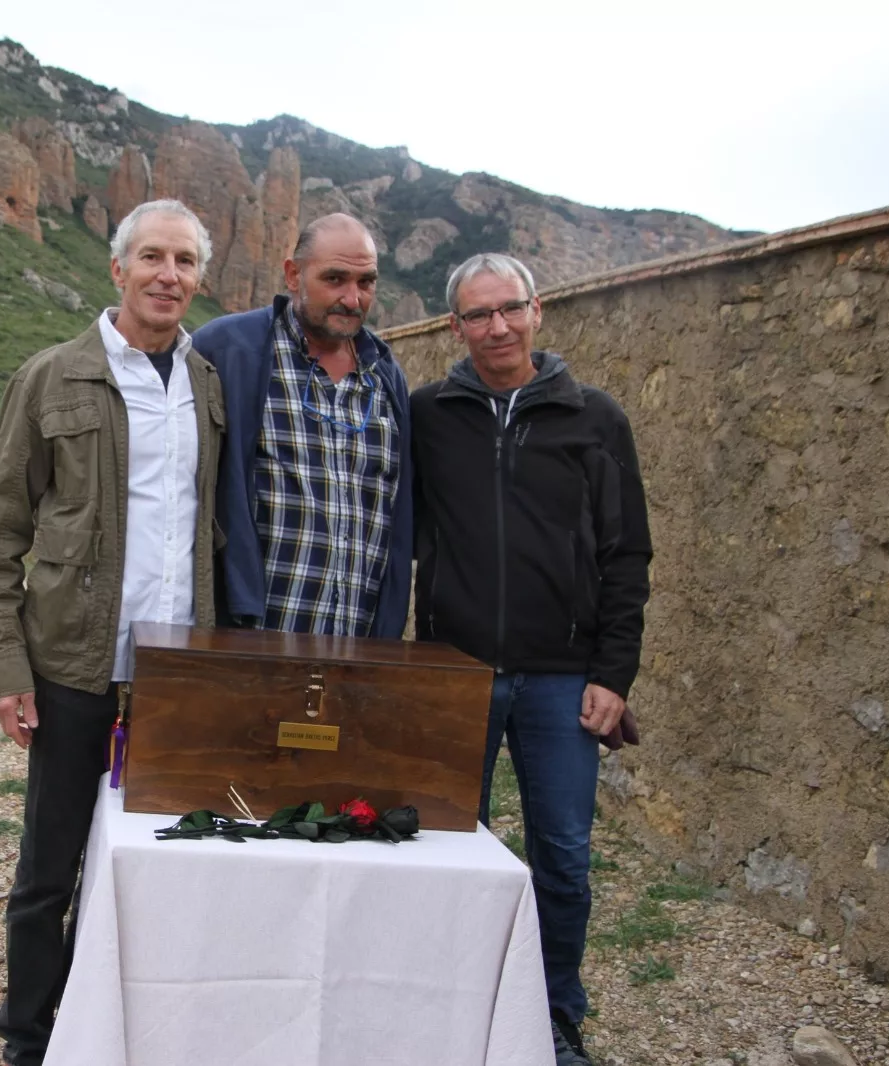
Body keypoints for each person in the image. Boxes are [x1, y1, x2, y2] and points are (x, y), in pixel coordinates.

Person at [0, 199, 225, 1066]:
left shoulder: (207, 383)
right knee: (49, 870)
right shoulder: (52, 376)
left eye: (184, 261)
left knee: (153, 865)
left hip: (175, 673)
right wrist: (7, 667)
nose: (168, 276)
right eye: (152, 257)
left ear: (198, 276)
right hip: (72, 665)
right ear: (117, 268)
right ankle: (29, 1039)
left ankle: (118, 1030)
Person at [409, 252, 653, 1066]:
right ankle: (450, 1012)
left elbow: (627, 554)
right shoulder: (429, 414)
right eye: (478, 315)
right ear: (456, 327)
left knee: (563, 859)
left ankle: (553, 1019)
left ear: (537, 311)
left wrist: (613, 674)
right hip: (458, 673)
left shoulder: (595, 418)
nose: (497, 327)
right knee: (449, 849)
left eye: (509, 308)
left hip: (562, 677)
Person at [191, 212, 414, 637]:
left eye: (365, 282)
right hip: (247, 640)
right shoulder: (227, 351)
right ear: (293, 275)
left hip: (354, 651)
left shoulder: (386, 376)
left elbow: (395, 515)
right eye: (335, 279)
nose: (352, 298)